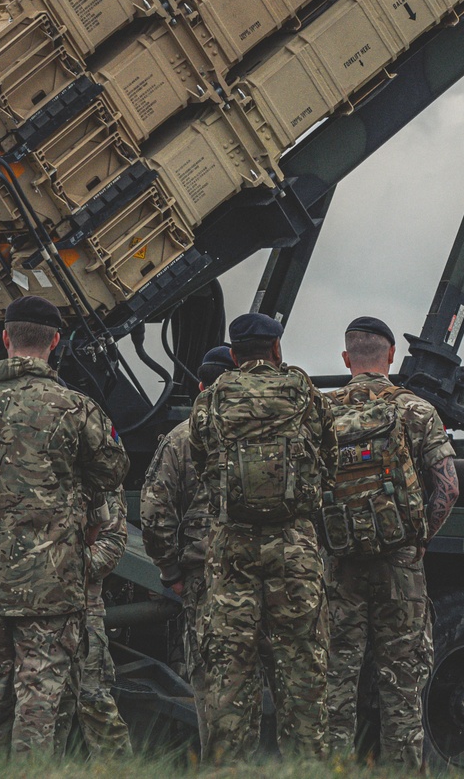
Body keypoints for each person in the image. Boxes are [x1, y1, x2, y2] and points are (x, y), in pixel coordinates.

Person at [0, 295, 129, 756]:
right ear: (56, 342)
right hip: (52, 586)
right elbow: (113, 471)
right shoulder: (76, 409)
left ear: (6, 338)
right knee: (39, 702)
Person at [189, 313, 336, 762]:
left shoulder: (211, 401)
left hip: (232, 552)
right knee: (302, 668)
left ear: (233, 355)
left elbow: (201, 464)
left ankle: (226, 767)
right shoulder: (306, 395)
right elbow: (329, 461)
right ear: (276, 349)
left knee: (230, 671)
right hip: (294, 550)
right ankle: (308, 767)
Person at [323, 316, 458, 768]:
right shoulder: (416, 410)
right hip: (400, 567)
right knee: (401, 686)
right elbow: (448, 488)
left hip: (340, 566)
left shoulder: (324, 411)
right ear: (391, 357)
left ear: (346, 358)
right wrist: (417, 540)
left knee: (336, 683)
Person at [141, 344, 236, 752]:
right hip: (267, 571)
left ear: (199, 385)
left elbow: (154, 513)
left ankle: (213, 759)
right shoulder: (267, 428)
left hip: (203, 576)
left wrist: (170, 573)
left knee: (209, 677)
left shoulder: (181, 438)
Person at [56, 486, 132, 757]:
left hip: (82, 610)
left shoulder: (96, 466)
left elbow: (112, 543)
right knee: (43, 712)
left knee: (96, 705)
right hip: (25, 612)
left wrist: (58, 565)